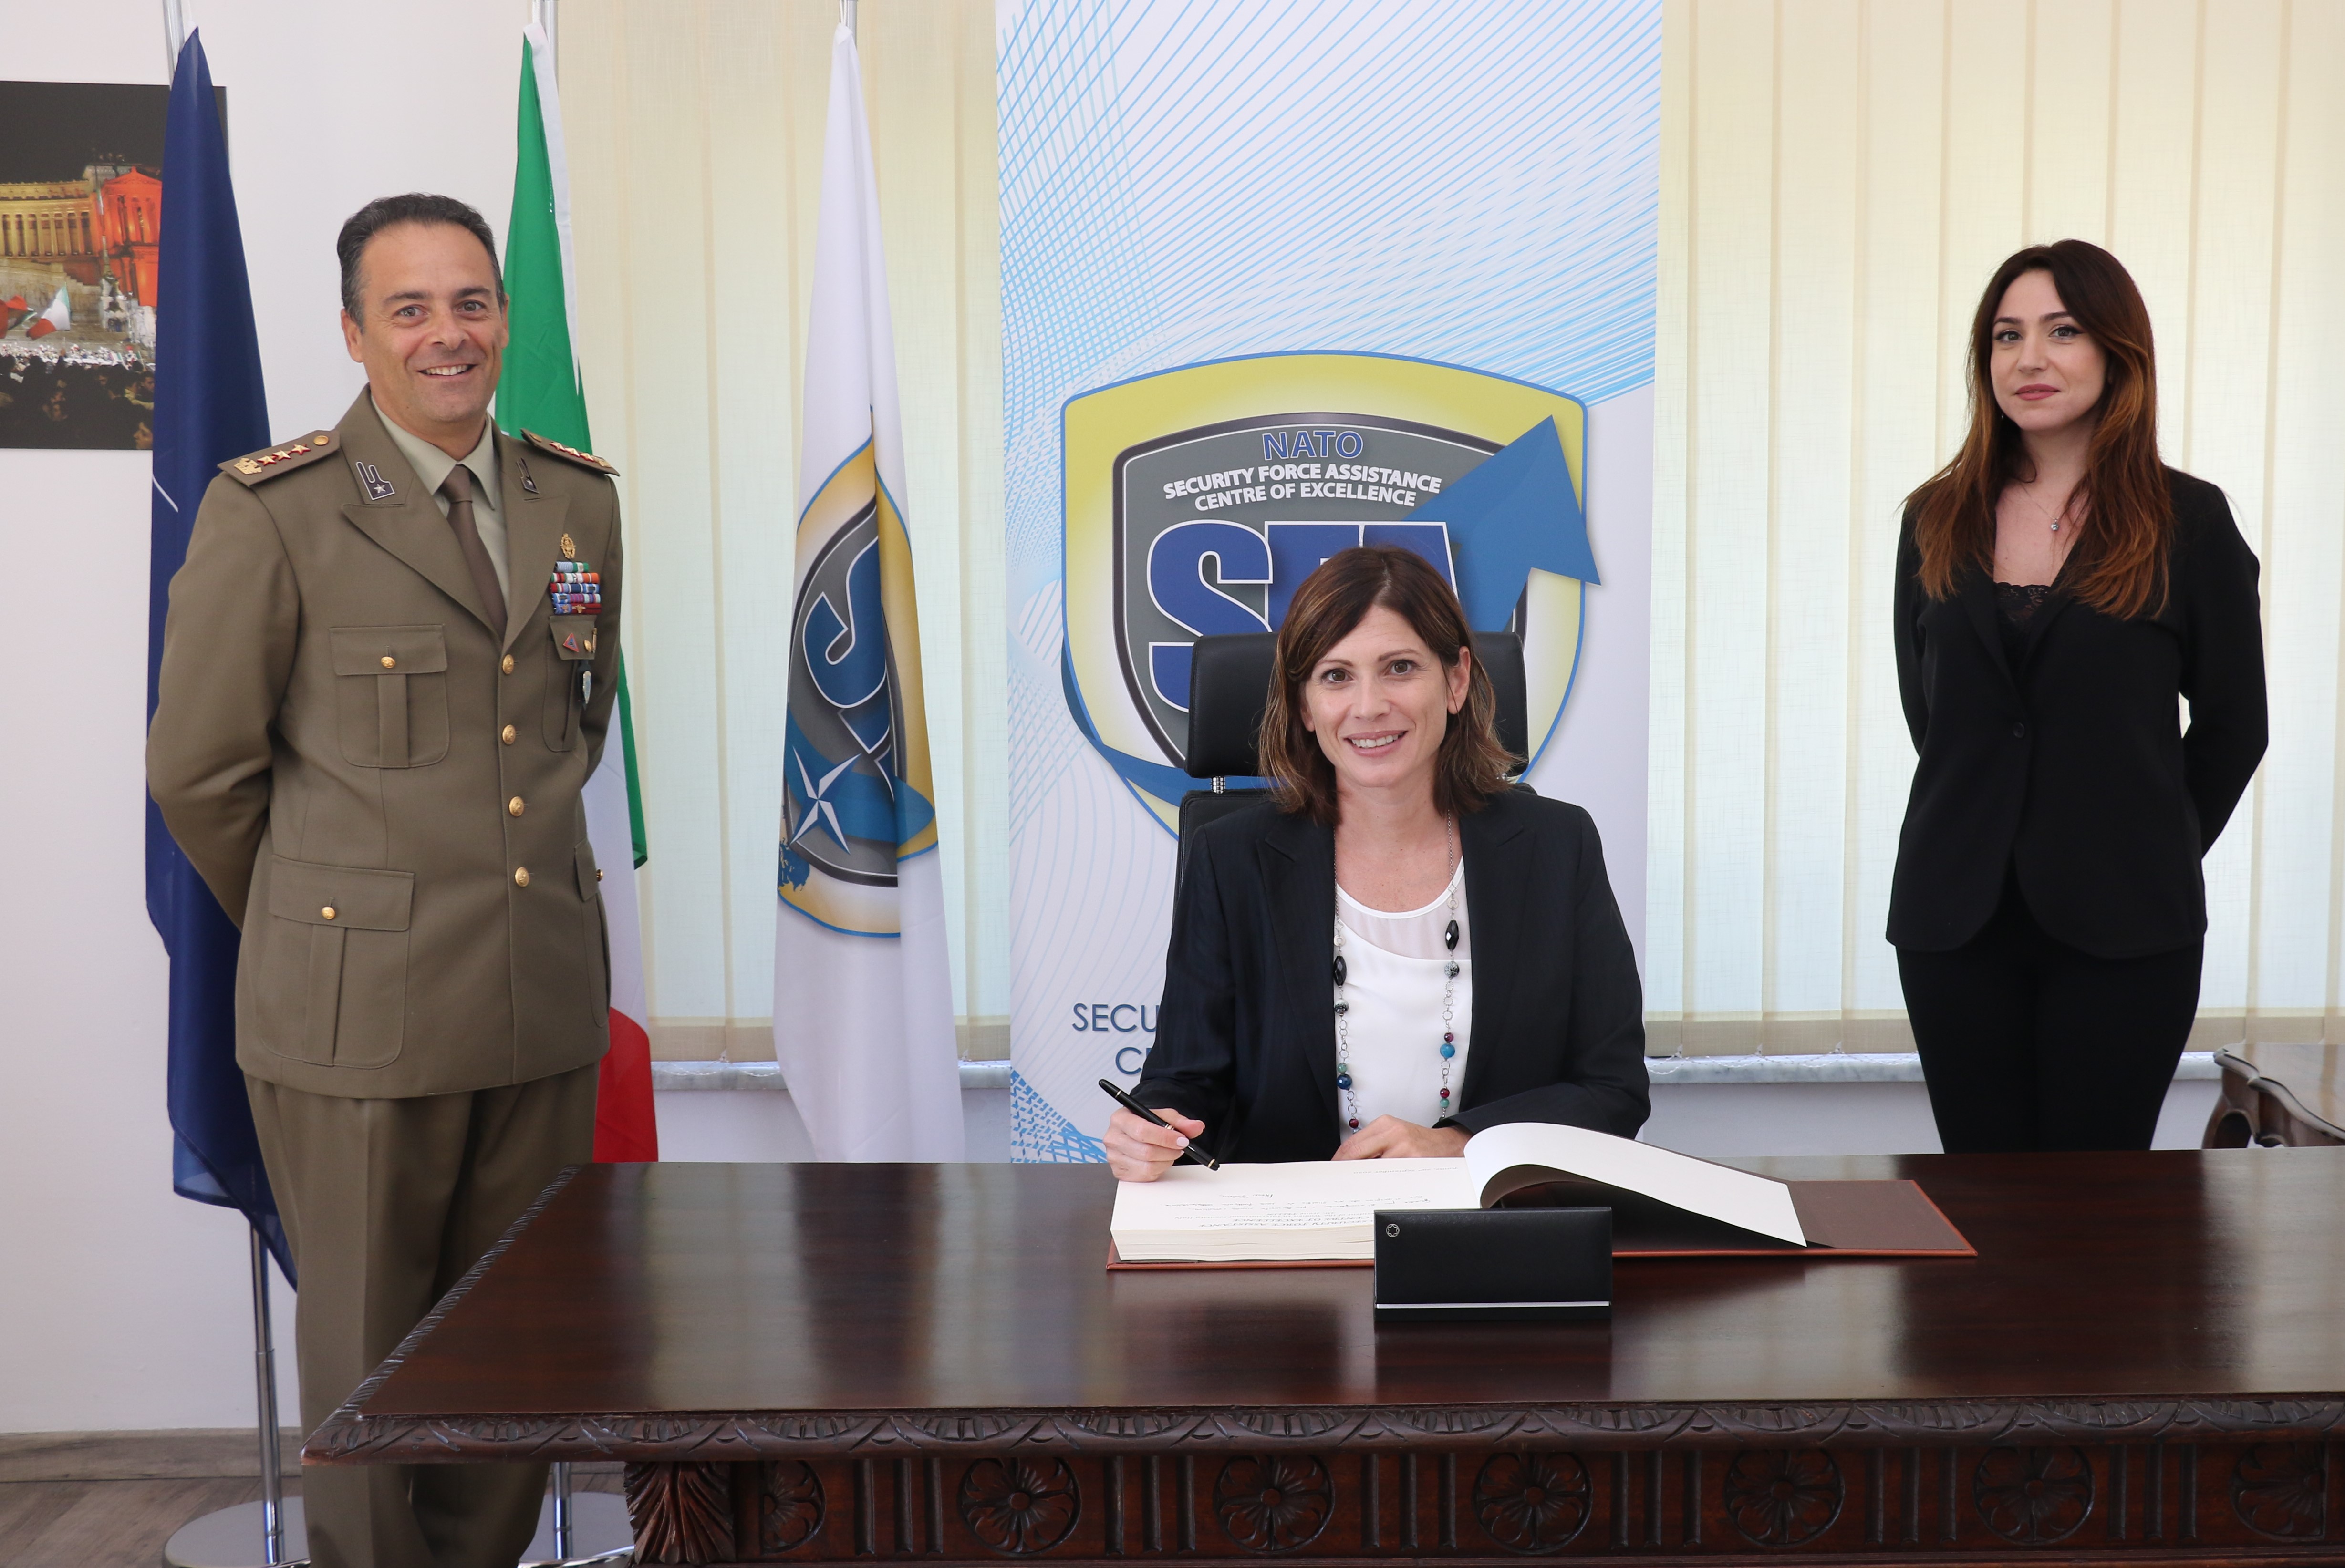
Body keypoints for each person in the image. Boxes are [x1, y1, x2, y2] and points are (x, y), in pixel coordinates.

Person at [147, 193, 625, 1568]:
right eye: (408, 309)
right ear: (355, 334)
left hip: (538, 998)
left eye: (470, 302)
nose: (446, 334)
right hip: (360, 1018)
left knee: (519, 1341)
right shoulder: (277, 510)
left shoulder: (575, 497)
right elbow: (200, 772)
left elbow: (575, 721)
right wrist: (332, 924)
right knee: (371, 1357)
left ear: (504, 319)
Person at [1889, 239, 2266, 1154]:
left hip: (2129, 925)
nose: (2030, 358)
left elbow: (2235, 727)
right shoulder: (1935, 517)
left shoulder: (2189, 521)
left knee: (2098, 1205)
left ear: (2116, 351)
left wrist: (2149, 842)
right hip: (1955, 920)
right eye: (2007, 335)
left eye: (2062, 332)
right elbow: (1932, 713)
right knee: (1981, 1196)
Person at [1108, 546, 1649, 1180]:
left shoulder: (1557, 846)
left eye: (1399, 668)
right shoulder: (1231, 859)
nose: (1368, 706)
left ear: (1456, 681)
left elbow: (1612, 1090)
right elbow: (1184, 1081)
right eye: (1336, 676)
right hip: (1293, 1227)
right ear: (1305, 706)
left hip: (1486, 1218)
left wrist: (1460, 1143)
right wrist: (1152, 1128)